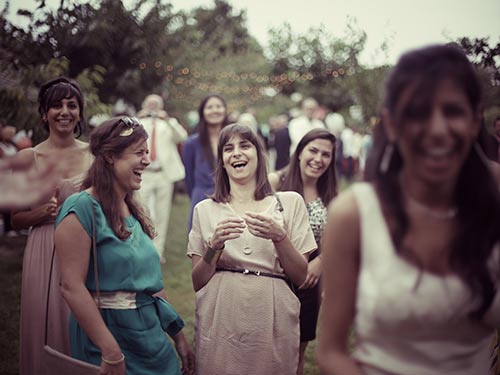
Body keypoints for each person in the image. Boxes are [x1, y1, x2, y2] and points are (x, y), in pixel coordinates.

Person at [317, 44, 500, 375]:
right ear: (392, 124)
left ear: (475, 120)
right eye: (417, 112)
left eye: (453, 111)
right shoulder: (354, 213)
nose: (437, 130)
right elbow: (330, 352)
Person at [54, 116, 195, 375]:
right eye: (139, 152)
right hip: (109, 338)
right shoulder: (81, 208)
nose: (147, 160)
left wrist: (178, 337)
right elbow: (71, 287)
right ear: (110, 157)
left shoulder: (131, 208)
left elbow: (153, 285)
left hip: (151, 340)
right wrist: (111, 351)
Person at [187, 123, 316, 374]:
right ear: (222, 162)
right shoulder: (205, 209)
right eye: (228, 149)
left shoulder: (289, 203)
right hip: (221, 315)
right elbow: (198, 281)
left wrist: (280, 238)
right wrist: (214, 247)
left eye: (245, 146)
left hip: (271, 315)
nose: (236, 153)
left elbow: (301, 276)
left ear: (259, 154)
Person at [10, 77, 93, 375]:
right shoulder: (25, 158)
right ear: (44, 113)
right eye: (56, 105)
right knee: (48, 321)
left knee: (86, 324)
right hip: (46, 249)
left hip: (88, 247)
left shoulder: (95, 155)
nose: (65, 111)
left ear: (80, 113)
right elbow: (15, 219)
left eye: (72, 105)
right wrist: (43, 212)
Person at [268, 128, 337, 375]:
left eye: (326, 155)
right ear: (299, 151)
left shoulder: (330, 196)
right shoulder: (276, 182)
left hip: (308, 284)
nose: (318, 159)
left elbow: (336, 241)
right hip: (274, 277)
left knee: (297, 352)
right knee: (267, 350)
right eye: (313, 150)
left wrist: (321, 263)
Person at [137, 94, 188, 263]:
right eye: (149, 104)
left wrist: (168, 120)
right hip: (144, 174)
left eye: (155, 104)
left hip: (163, 174)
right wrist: (139, 116)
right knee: (143, 210)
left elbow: (182, 137)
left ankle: (158, 252)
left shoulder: (167, 124)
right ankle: (143, 247)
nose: (152, 107)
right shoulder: (139, 123)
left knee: (162, 214)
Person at [182, 94, 229, 230]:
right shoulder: (192, 143)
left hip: (229, 197)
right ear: (202, 112)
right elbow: (189, 177)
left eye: (218, 106)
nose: (215, 110)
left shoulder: (233, 140)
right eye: (210, 107)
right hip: (201, 197)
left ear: (225, 110)